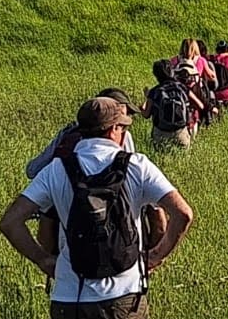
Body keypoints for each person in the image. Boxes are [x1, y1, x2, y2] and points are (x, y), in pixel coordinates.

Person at [0, 97, 194, 319]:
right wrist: (156, 256)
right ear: (115, 130)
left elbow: (11, 222)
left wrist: (45, 261)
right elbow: (183, 214)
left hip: (70, 297)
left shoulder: (58, 169)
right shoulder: (137, 165)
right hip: (126, 297)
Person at [25, 88, 141, 259]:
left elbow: (32, 170)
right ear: (113, 123)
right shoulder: (124, 137)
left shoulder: (68, 133)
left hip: (65, 213)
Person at [143, 59, 201, 150]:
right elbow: (200, 105)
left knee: (161, 159)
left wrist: (144, 102)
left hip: (161, 134)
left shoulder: (155, 91)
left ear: (156, 75)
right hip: (181, 132)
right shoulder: (182, 87)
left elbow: (146, 115)